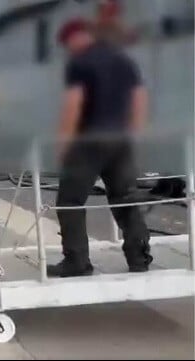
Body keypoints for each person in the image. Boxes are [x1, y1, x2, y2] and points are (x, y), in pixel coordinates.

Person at [49, 18, 152, 278]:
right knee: (124, 197)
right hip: (120, 140)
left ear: (76, 38)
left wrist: (63, 146)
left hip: (89, 142)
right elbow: (139, 98)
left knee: (70, 201)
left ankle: (77, 262)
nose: (68, 50)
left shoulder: (80, 63)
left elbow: (74, 104)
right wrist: (133, 134)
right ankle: (139, 258)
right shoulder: (123, 60)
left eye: (67, 44)